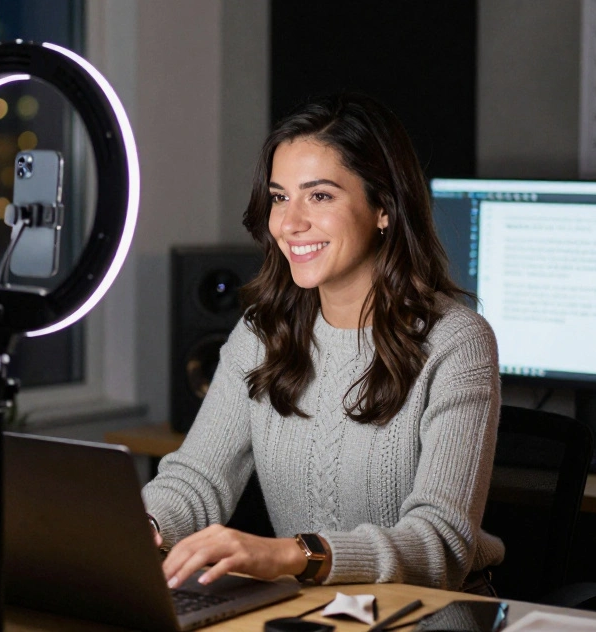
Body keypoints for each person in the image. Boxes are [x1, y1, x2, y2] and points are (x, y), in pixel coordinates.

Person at [142, 92, 504, 594]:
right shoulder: (260, 333)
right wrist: (145, 528)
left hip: (431, 616)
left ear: (383, 207)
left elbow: (438, 544)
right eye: (279, 196)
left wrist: (288, 554)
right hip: (309, 613)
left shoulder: (456, 341)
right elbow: (196, 480)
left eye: (320, 195)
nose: (289, 223)